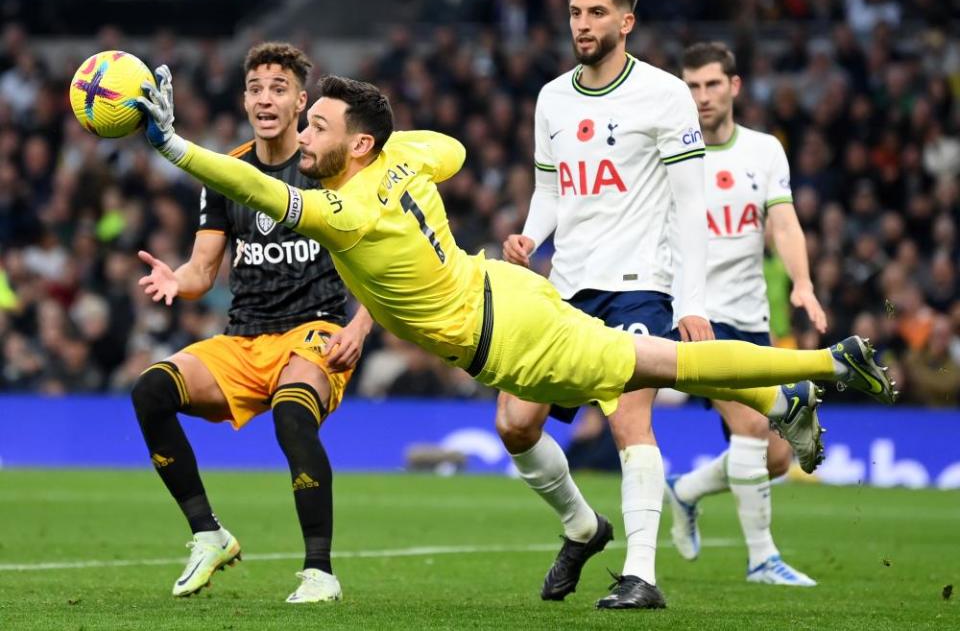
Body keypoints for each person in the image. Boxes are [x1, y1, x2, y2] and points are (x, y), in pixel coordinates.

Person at [135, 63, 896, 609]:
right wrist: (392, 153)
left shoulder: (348, 209)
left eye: (318, 124)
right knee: (536, 416)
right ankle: (775, 398)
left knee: (667, 363)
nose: (303, 133)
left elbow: (257, 187)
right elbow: (451, 151)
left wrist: (173, 146)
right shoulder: (403, 156)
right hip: (506, 287)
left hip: (513, 338)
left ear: (358, 145)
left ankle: (824, 364)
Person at [496, 0, 818, 609]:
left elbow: (692, 207)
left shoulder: (666, 96)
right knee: (514, 423)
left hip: (639, 285)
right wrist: (530, 236)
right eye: (575, 13)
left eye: (595, 13)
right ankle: (583, 528)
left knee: (629, 422)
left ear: (626, 20)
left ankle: (641, 574)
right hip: (565, 287)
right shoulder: (552, 97)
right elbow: (551, 190)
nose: (582, 25)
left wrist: (690, 303)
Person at [132, 43, 373, 603]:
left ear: (300, 102)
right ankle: (208, 534)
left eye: (279, 88)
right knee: (151, 392)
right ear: (245, 99)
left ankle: (320, 572)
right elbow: (201, 270)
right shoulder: (227, 173)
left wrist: (359, 327)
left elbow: (382, 258)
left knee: (293, 415)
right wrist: (177, 280)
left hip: (312, 332)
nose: (267, 98)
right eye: (257, 88)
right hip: (243, 339)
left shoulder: (330, 169)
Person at [663, 41, 828, 587]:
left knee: (774, 458)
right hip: (695, 315)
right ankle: (762, 559)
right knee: (754, 428)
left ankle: (686, 489)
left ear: (733, 87)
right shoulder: (668, 153)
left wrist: (802, 282)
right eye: (691, 86)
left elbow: (782, 224)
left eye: (712, 84)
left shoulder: (764, 151)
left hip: (752, 316)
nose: (702, 96)